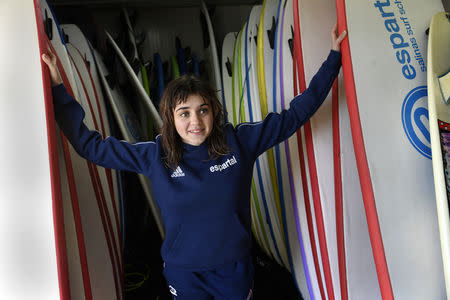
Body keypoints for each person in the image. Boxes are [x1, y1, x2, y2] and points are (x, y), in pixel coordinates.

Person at [42, 24, 346, 300]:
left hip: (234, 271)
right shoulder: (154, 155)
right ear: (171, 120)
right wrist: (57, 89)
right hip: (185, 275)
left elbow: (295, 115)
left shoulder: (239, 142)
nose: (195, 121)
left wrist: (333, 59)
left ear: (213, 111)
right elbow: (91, 146)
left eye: (203, 110)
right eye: (184, 112)